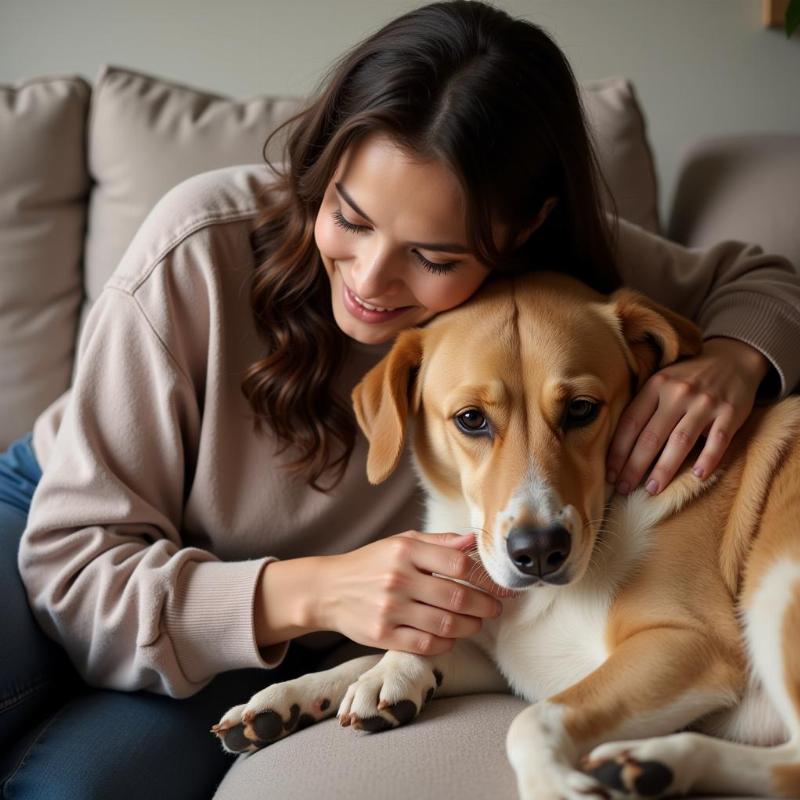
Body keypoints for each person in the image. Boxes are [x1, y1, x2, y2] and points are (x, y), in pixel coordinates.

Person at [2, 1, 798, 797]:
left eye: (432, 255)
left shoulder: (552, 297)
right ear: (322, 171)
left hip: (238, 640)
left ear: (518, 235)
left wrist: (732, 361)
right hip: (75, 533)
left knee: (78, 789)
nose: (372, 280)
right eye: (348, 216)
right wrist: (317, 589)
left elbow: (763, 280)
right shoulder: (198, 251)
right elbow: (73, 575)